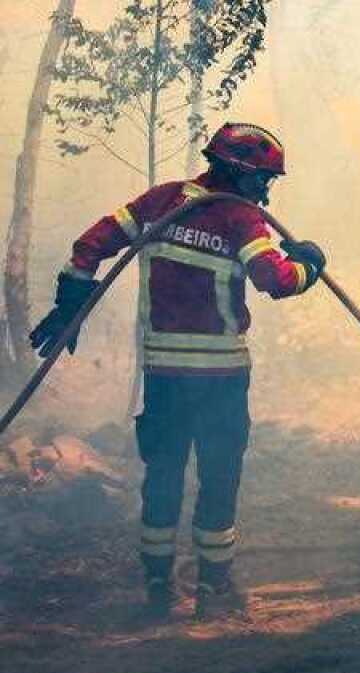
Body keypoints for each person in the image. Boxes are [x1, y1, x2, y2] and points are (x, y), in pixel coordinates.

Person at [29, 122, 327, 620]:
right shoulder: (239, 218)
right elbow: (274, 280)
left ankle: (157, 587)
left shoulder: (162, 201)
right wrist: (309, 267)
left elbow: (90, 244)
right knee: (218, 477)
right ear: (238, 170)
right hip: (221, 378)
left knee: (163, 475)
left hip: (164, 374)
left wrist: (70, 302)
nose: (267, 189)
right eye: (264, 179)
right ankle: (213, 590)